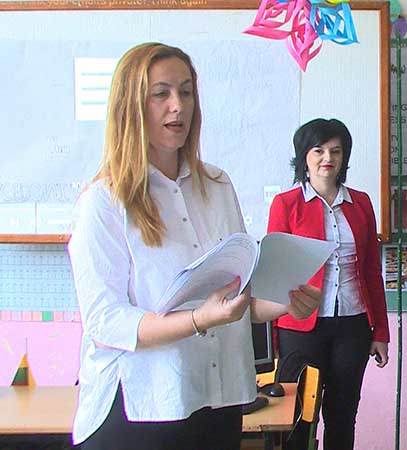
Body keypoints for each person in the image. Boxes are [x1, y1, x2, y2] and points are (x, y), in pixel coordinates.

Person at [68, 42, 321, 450]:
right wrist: (198, 320)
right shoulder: (104, 201)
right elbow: (105, 322)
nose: (178, 106)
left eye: (186, 92)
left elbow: (237, 299)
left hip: (218, 399)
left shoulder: (217, 186)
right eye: (161, 93)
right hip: (143, 404)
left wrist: (285, 302)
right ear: (131, 106)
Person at [267, 118, 390, 450]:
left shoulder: (361, 203)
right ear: (304, 157)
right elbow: (275, 275)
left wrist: (380, 332)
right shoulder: (286, 204)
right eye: (318, 150)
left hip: (353, 324)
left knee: (342, 415)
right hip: (300, 328)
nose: (328, 158)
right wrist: (273, 338)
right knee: (296, 419)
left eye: (336, 151)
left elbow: (371, 271)